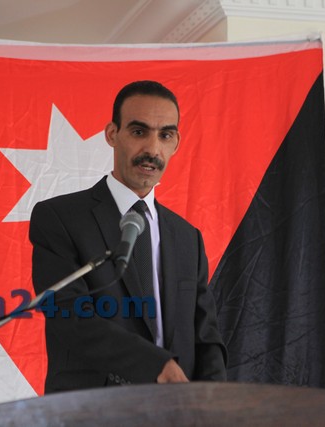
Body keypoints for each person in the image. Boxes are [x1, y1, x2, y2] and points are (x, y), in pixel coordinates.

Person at [29, 80, 227, 393]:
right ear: (112, 134)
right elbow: (68, 315)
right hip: (92, 408)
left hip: (179, 408)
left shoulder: (188, 237)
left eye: (165, 135)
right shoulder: (60, 218)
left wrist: (215, 399)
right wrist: (157, 366)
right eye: (138, 132)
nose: (152, 149)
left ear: (176, 143)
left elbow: (205, 334)